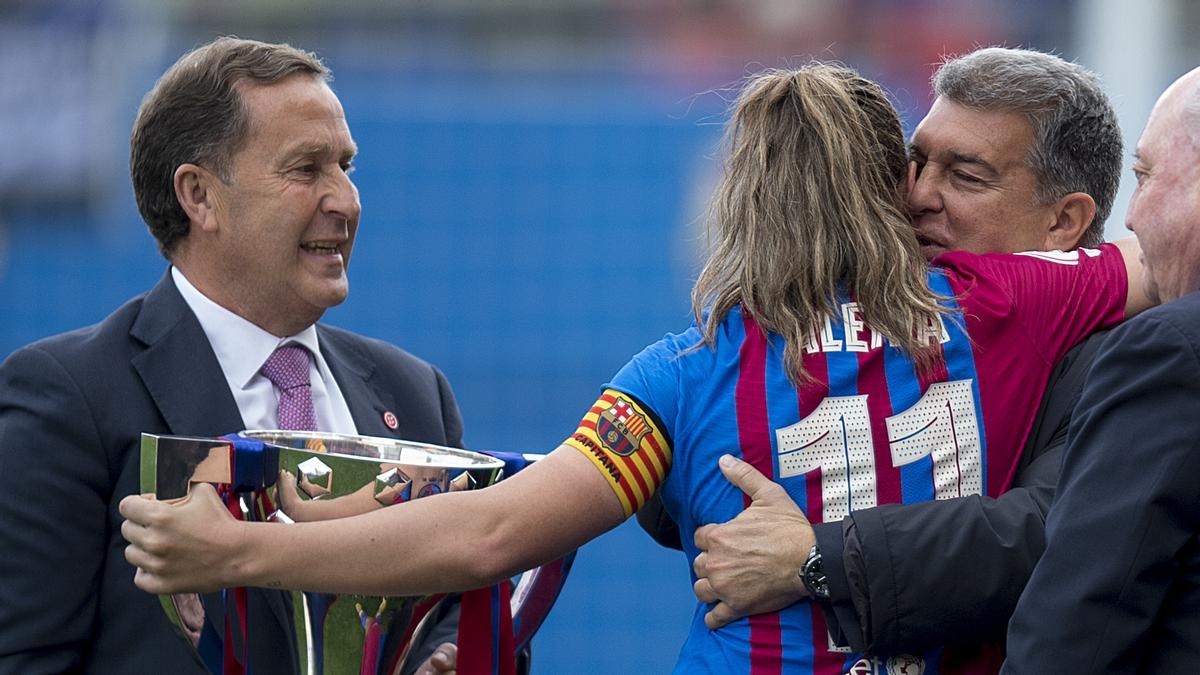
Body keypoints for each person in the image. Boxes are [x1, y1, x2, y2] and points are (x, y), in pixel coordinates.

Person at [119, 63, 1144, 674]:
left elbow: (490, 535)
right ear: (888, 187)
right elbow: (1157, 257)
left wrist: (239, 555)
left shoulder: (685, 375)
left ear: (736, 203)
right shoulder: (1010, 302)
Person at [0, 37, 463, 674]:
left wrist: (450, 655)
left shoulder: (416, 394)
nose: (346, 201)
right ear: (199, 196)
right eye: (306, 169)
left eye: (346, 167)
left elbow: (466, 604)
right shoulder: (69, 396)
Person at [669, 46, 1125, 661]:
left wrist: (813, 556)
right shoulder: (862, 335)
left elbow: (1049, 530)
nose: (918, 198)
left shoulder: (1124, 362)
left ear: (1064, 222)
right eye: (915, 164)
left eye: (965, 176)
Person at [1002, 66, 1200, 673]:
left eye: (1145, 177)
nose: (1132, 218)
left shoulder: (1168, 351)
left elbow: (1076, 628)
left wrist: (818, 559)